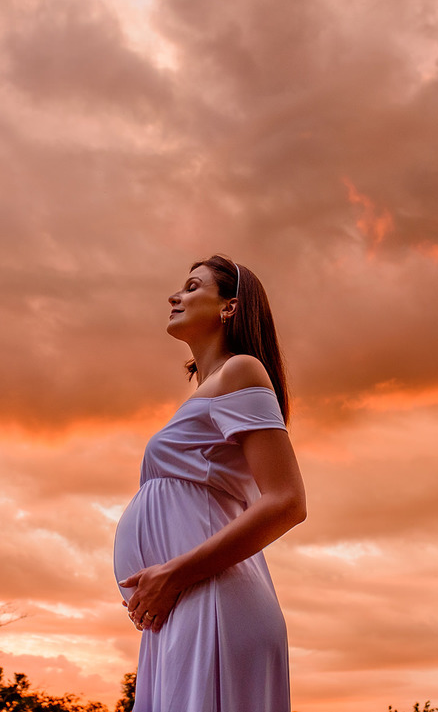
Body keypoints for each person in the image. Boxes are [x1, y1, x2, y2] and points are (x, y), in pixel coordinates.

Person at [113, 254, 308, 712]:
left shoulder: (241, 370)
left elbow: (287, 501)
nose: (175, 295)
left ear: (229, 307)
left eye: (193, 286)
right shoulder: (209, 390)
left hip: (209, 600)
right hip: (180, 606)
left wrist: (173, 574)